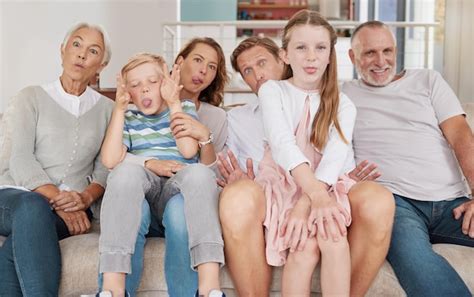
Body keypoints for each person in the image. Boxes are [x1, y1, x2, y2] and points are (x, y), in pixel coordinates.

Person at [218, 36, 393, 297]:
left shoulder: (329, 105)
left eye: (262, 63)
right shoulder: (237, 119)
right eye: (248, 71)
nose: (258, 74)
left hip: (322, 192)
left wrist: (337, 183)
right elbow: (231, 165)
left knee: (361, 210)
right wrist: (238, 178)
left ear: (283, 59)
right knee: (239, 195)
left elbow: (337, 161)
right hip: (268, 199)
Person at [342, 20, 474, 297]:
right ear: (352, 57)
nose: (381, 61)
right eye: (369, 53)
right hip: (396, 205)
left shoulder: (428, 80)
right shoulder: (343, 95)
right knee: (417, 261)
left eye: (387, 51)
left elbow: (461, 137)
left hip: (454, 202)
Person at [0, 22, 113, 296]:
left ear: (101, 65)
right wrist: (58, 202)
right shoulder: (31, 97)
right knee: (32, 207)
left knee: (14, 249)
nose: (81, 54)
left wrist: (84, 200)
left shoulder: (108, 110)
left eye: (93, 50)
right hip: (16, 196)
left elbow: (105, 170)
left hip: (75, 206)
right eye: (76, 44)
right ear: (62, 50)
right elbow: (20, 158)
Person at [110, 38, 229, 297]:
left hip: (178, 193)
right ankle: (113, 290)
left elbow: (194, 158)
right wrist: (149, 163)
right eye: (198, 60)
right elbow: (111, 162)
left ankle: (205, 290)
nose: (203, 71)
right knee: (130, 187)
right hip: (143, 193)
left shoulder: (195, 111)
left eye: (211, 66)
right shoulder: (129, 114)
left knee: (181, 208)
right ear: (178, 64)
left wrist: (182, 112)